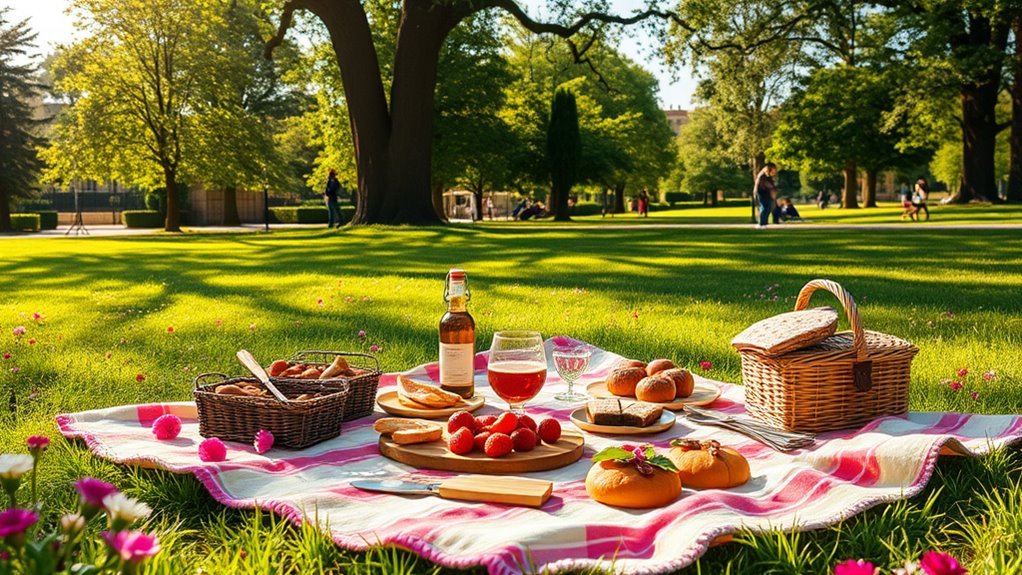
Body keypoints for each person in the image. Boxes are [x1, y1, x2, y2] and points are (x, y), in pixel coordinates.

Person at [754, 162, 779, 228]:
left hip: (764, 192)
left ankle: (764, 223)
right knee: (764, 207)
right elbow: (766, 184)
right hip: (762, 192)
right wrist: (772, 190)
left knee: (767, 207)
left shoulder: (765, 175)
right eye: (774, 169)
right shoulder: (763, 175)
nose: (775, 171)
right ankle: (762, 223)